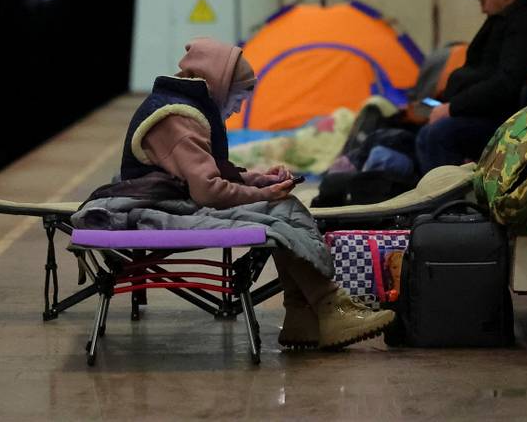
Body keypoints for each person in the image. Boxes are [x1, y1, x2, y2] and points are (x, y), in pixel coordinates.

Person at [120, 37, 394, 349]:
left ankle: (302, 315)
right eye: (239, 94)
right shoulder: (176, 119)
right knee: (278, 212)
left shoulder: (186, 109)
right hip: (155, 206)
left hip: (168, 199)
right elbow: (208, 190)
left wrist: (259, 180)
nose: (239, 106)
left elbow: (212, 169)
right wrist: (264, 196)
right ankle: (331, 306)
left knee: (279, 209)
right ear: (218, 83)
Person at [416, 0, 527, 173]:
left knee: (438, 134)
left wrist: (453, 108)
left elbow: (507, 83)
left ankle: (448, 200)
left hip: (513, 118)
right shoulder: (512, 17)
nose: (483, 9)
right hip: (498, 111)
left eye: (483, 0)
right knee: (428, 132)